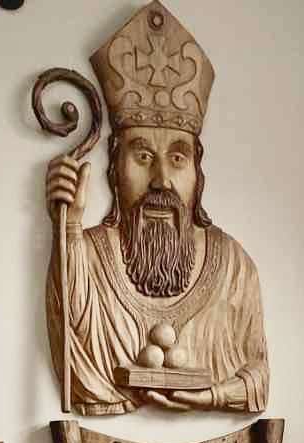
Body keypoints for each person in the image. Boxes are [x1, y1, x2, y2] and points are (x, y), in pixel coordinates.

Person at [41, 2, 267, 414]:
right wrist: (67, 225)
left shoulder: (234, 267)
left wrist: (213, 396)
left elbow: (258, 376)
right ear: (114, 168)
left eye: (178, 158)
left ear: (197, 173)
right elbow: (71, 341)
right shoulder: (86, 256)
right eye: (143, 156)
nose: (161, 179)